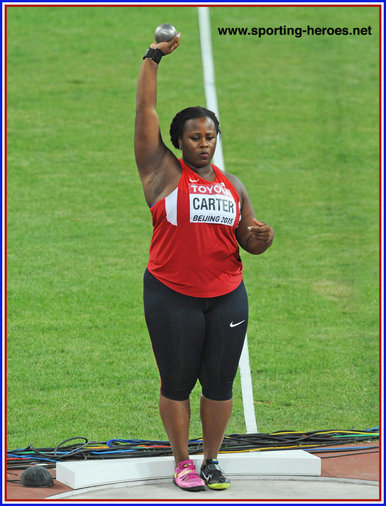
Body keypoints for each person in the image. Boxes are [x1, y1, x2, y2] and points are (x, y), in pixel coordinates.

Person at [134, 33, 274, 492]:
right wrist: (153, 58)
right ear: (177, 141)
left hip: (227, 297)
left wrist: (262, 239)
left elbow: (249, 243)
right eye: (194, 138)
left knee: (219, 383)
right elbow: (146, 115)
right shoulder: (162, 173)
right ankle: (181, 462)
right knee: (177, 382)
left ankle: (211, 459)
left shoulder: (233, 185)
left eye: (210, 137)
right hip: (172, 296)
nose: (203, 144)